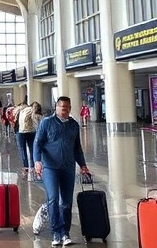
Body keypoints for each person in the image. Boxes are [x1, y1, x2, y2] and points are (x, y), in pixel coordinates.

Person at [34, 96, 90, 247]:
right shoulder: (47, 122)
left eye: (67, 108)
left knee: (66, 202)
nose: (65, 110)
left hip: (68, 167)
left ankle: (65, 232)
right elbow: (37, 143)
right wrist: (37, 161)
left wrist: (83, 165)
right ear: (56, 108)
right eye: (62, 107)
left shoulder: (73, 125)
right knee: (53, 199)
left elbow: (77, 148)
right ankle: (55, 233)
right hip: (50, 167)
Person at [17, 102, 43, 179]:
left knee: (23, 150)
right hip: (32, 132)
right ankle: (33, 167)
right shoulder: (36, 113)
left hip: (21, 132)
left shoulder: (21, 110)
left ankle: (26, 168)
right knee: (33, 149)